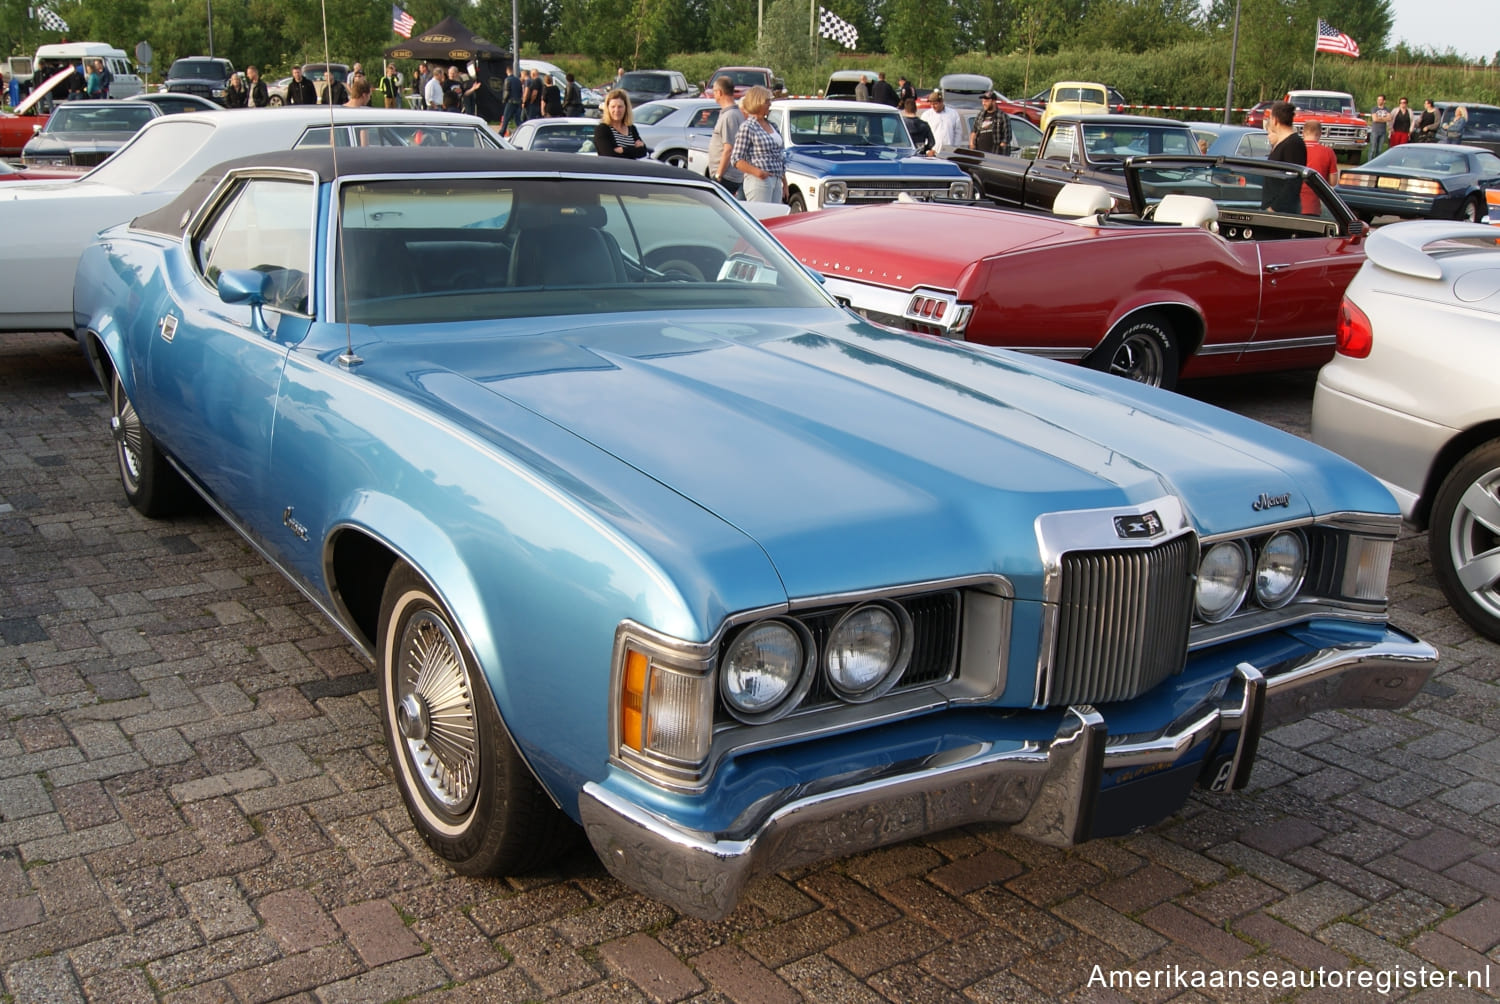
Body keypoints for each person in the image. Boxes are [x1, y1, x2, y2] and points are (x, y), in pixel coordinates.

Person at [730, 85, 786, 204]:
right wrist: (758, 173)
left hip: (776, 179)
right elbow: (736, 159)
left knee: (776, 219)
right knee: (762, 217)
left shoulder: (773, 125)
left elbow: (780, 156)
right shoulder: (748, 127)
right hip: (759, 180)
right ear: (758, 102)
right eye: (767, 101)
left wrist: (784, 182)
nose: (770, 104)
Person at [1262, 99, 1306, 213]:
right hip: (1271, 205)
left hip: (1281, 211)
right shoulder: (1282, 142)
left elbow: (1293, 181)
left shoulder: (1294, 144)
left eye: (1270, 118)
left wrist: (1275, 207)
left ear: (1275, 120)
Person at [707, 75, 746, 195]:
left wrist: (719, 175)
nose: (713, 94)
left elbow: (728, 149)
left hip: (726, 176)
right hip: (728, 175)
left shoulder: (730, 116)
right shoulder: (735, 113)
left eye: (714, 91)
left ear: (719, 92)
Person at [594, 88, 648, 158]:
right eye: (613, 107)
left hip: (632, 168)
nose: (616, 110)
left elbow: (643, 151)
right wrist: (634, 150)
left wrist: (623, 150)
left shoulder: (631, 128)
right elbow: (609, 155)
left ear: (626, 108)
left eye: (620, 107)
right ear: (608, 108)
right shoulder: (602, 129)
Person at [1300, 119, 1338, 215]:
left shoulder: (1293, 149)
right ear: (1320, 134)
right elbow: (1333, 182)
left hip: (1291, 204)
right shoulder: (1328, 152)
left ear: (1303, 133)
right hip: (1313, 206)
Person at [921, 89, 966, 156]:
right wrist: (927, 151)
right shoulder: (926, 115)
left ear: (941, 102)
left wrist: (955, 149)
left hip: (948, 152)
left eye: (935, 104)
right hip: (931, 153)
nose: (933, 106)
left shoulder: (953, 114)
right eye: (931, 104)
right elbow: (922, 135)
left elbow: (958, 133)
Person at [970, 90, 1011, 155]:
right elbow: (974, 131)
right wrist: (972, 144)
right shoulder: (980, 114)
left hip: (994, 155)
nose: (983, 103)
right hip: (979, 153)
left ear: (994, 101)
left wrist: (1000, 153)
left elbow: (1006, 138)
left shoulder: (1002, 116)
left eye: (986, 101)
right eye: (982, 101)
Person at [501, 66, 523, 134]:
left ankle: (502, 132)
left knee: (506, 119)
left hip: (510, 102)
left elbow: (507, 91)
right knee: (518, 120)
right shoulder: (518, 80)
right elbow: (520, 91)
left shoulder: (507, 79)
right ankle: (522, 132)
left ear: (507, 71)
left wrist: (504, 100)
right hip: (518, 102)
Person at [1369, 94, 1390, 159]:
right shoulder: (1374, 109)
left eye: (1380, 100)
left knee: (1379, 150)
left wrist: (1379, 118)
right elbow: (1375, 119)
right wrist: (1384, 118)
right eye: (1378, 99)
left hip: (1383, 132)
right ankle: (1369, 162)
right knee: (1372, 149)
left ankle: (1376, 163)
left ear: (1384, 101)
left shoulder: (1387, 109)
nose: (1379, 101)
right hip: (1375, 131)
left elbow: (1389, 118)